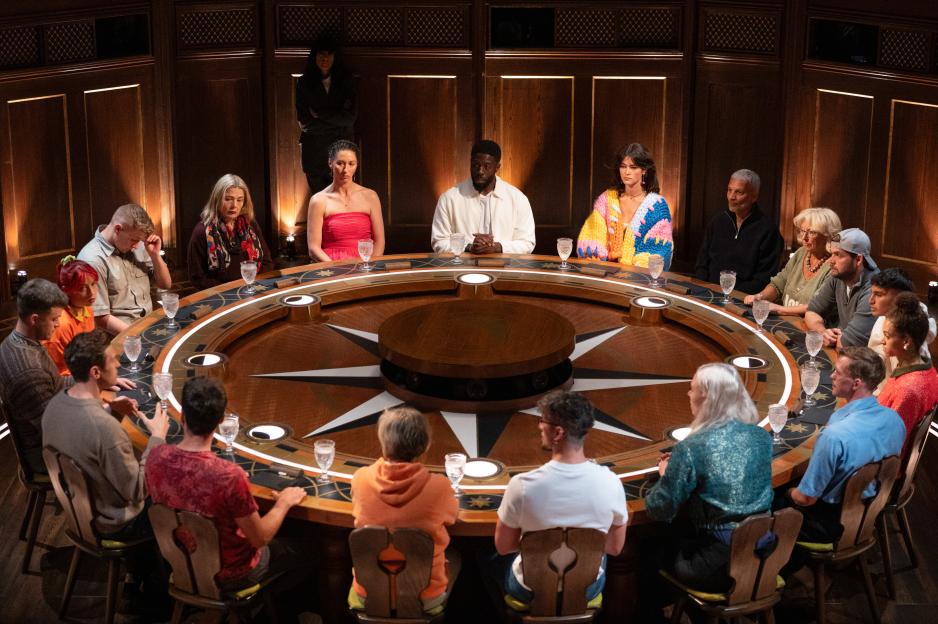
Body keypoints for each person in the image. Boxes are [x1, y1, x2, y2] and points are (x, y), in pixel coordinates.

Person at [146, 377, 313, 598]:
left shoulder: (156, 457)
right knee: (311, 550)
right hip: (232, 575)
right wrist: (284, 503)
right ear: (220, 420)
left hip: (179, 563)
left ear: (183, 415)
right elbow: (260, 539)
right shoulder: (228, 476)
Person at [644, 363, 772, 593]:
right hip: (766, 555)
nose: (688, 395)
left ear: (707, 399)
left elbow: (659, 509)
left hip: (717, 566)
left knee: (647, 550)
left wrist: (666, 475)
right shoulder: (761, 436)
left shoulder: (691, 448)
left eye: (692, 389)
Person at [493, 390, 626, 605]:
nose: (539, 426)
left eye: (542, 421)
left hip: (530, 589)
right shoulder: (612, 483)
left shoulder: (521, 486)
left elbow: (503, 547)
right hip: (586, 588)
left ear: (558, 433)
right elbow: (614, 548)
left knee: (488, 558)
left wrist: (539, 546)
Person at [782, 347, 904, 564]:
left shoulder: (834, 437)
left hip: (831, 523)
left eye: (837, 373)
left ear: (856, 383)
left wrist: (786, 493)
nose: (831, 377)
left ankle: (801, 576)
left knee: (772, 500)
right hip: (868, 515)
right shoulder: (895, 420)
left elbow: (806, 499)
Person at [42, 329, 168, 539]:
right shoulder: (104, 428)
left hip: (80, 513)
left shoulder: (54, 405)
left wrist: (113, 413)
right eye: (112, 360)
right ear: (95, 372)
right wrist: (157, 439)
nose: (118, 365)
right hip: (117, 525)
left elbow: (86, 438)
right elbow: (137, 491)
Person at [349, 406, 458, 612]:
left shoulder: (360, 479)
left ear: (383, 443)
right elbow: (452, 517)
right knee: (457, 557)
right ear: (425, 445)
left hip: (368, 594)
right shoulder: (440, 487)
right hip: (424, 598)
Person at [0, 279, 70, 475]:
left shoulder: (19, 340)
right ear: (34, 319)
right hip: (46, 455)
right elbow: (58, 432)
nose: (58, 324)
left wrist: (93, 380)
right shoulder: (29, 373)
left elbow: (54, 384)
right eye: (55, 318)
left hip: (50, 430)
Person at [77, 203, 172, 334]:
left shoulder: (137, 244)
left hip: (148, 326)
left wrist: (155, 256)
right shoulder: (92, 260)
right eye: (134, 240)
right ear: (117, 229)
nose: (137, 246)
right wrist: (139, 336)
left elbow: (165, 284)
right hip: (118, 337)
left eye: (139, 240)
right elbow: (100, 318)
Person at [576, 143, 673, 269]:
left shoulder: (658, 207)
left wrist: (635, 268)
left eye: (633, 167)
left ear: (644, 170)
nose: (627, 172)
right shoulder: (606, 199)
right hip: (603, 274)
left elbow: (659, 250)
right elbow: (592, 235)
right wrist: (598, 256)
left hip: (638, 280)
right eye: (623, 166)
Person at [431, 140, 535, 255]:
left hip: (505, 270)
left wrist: (497, 247)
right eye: (476, 165)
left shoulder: (518, 199)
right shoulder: (449, 199)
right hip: (462, 269)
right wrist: (469, 247)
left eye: (486, 166)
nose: (480, 171)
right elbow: (439, 241)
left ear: (497, 167)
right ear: (470, 164)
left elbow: (527, 243)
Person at [694, 169, 784, 294]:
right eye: (729, 190)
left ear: (754, 196)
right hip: (707, 294)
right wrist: (702, 289)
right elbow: (702, 264)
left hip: (742, 300)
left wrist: (731, 296)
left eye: (739, 192)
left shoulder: (768, 231)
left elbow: (763, 279)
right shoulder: (717, 222)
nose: (731, 197)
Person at [743, 207, 840, 316]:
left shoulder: (834, 265)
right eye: (803, 231)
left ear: (828, 235)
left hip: (811, 328)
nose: (804, 237)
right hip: (786, 322)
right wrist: (760, 297)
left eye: (812, 232)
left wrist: (778, 309)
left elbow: (817, 305)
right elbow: (778, 283)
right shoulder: (801, 252)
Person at [876, 293, 938, 458]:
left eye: (888, 336)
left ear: (906, 342)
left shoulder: (907, 390)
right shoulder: (927, 369)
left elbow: (890, 448)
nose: (882, 341)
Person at [187, 174, 274, 289]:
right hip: (220, 296)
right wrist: (231, 290)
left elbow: (267, 262)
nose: (234, 205)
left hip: (253, 288)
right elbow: (197, 278)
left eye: (239, 200)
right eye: (228, 199)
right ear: (216, 199)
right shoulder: (201, 231)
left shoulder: (251, 225)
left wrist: (253, 285)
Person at [296, 35, 357, 194]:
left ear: (335, 57)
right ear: (314, 56)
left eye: (329, 54)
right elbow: (305, 123)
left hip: (341, 153)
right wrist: (336, 120)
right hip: (314, 153)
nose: (325, 58)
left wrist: (320, 115)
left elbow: (350, 118)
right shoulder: (304, 83)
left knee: (342, 200)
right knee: (318, 203)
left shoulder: (346, 81)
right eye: (321, 54)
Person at [307, 140, 385, 261]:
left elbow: (379, 242)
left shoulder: (371, 196)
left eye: (351, 164)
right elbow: (313, 248)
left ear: (357, 164)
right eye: (340, 163)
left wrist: (369, 267)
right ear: (330, 163)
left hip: (365, 264)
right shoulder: (318, 200)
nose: (345, 170)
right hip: (331, 266)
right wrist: (334, 269)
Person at [805, 228, 879, 349]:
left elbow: (848, 343)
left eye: (838, 255)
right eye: (832, 254)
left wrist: (839, 339)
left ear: (858, 259)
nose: (831, 261)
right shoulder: (838, 276)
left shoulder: (874, 289)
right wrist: (823, 332)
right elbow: (811, 312)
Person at [867, 268, 936, 378]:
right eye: (872, 293)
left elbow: (911, 381)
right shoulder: (884, 318)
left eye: (879, 294)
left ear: (899, 297)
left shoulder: (908, 335)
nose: (870, 300)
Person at [43, 256, 99, 375]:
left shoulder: (87, 308)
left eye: (93, 284)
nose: (92, 292)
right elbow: (61, 372)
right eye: (83, 288)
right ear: (66, 290)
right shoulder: (61, 324)